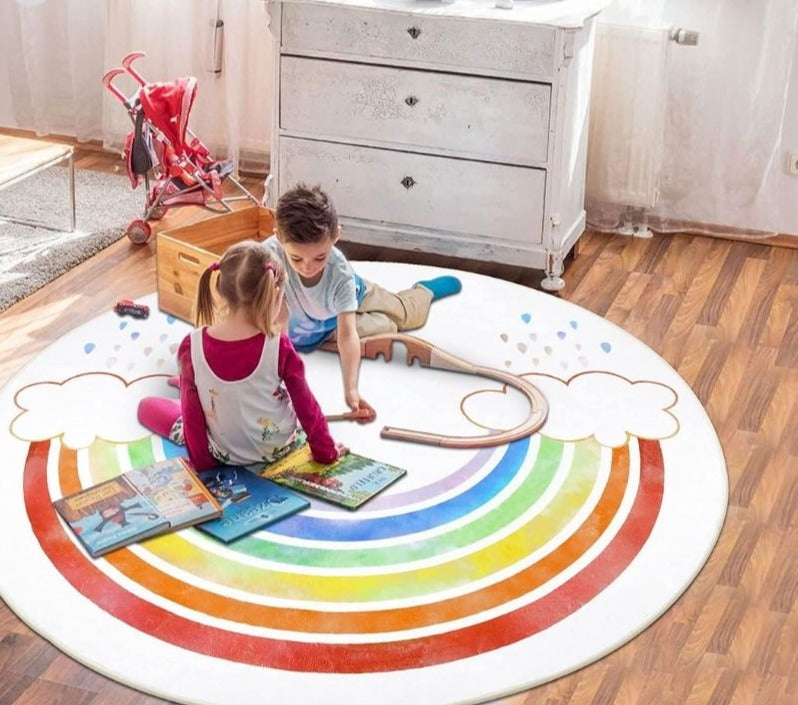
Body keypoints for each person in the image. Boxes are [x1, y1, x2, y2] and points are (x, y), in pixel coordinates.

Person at [137, 240, 343, 471]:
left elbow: (192, 415)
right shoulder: (279, 347)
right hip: (277, 447)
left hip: (223, 452)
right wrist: (326, 452)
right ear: (275, 293)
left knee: (147, 406)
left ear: (219, 288)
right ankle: (201, 386)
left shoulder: (190, 346)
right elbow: (306, 406)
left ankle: (195, 384)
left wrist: (204, 465)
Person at [268, 183, 462, 419]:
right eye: (296, 258)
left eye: (320, 257)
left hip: (353, 298)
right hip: (319, 329)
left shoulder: (340, 273)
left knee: (405, 316)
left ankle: (424, 292)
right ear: (278, 238)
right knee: (388, 327)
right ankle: (373, 322)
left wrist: (351, 390)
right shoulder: (266, 258)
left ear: (336, 236)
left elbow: (348, 334)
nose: (308, 268)